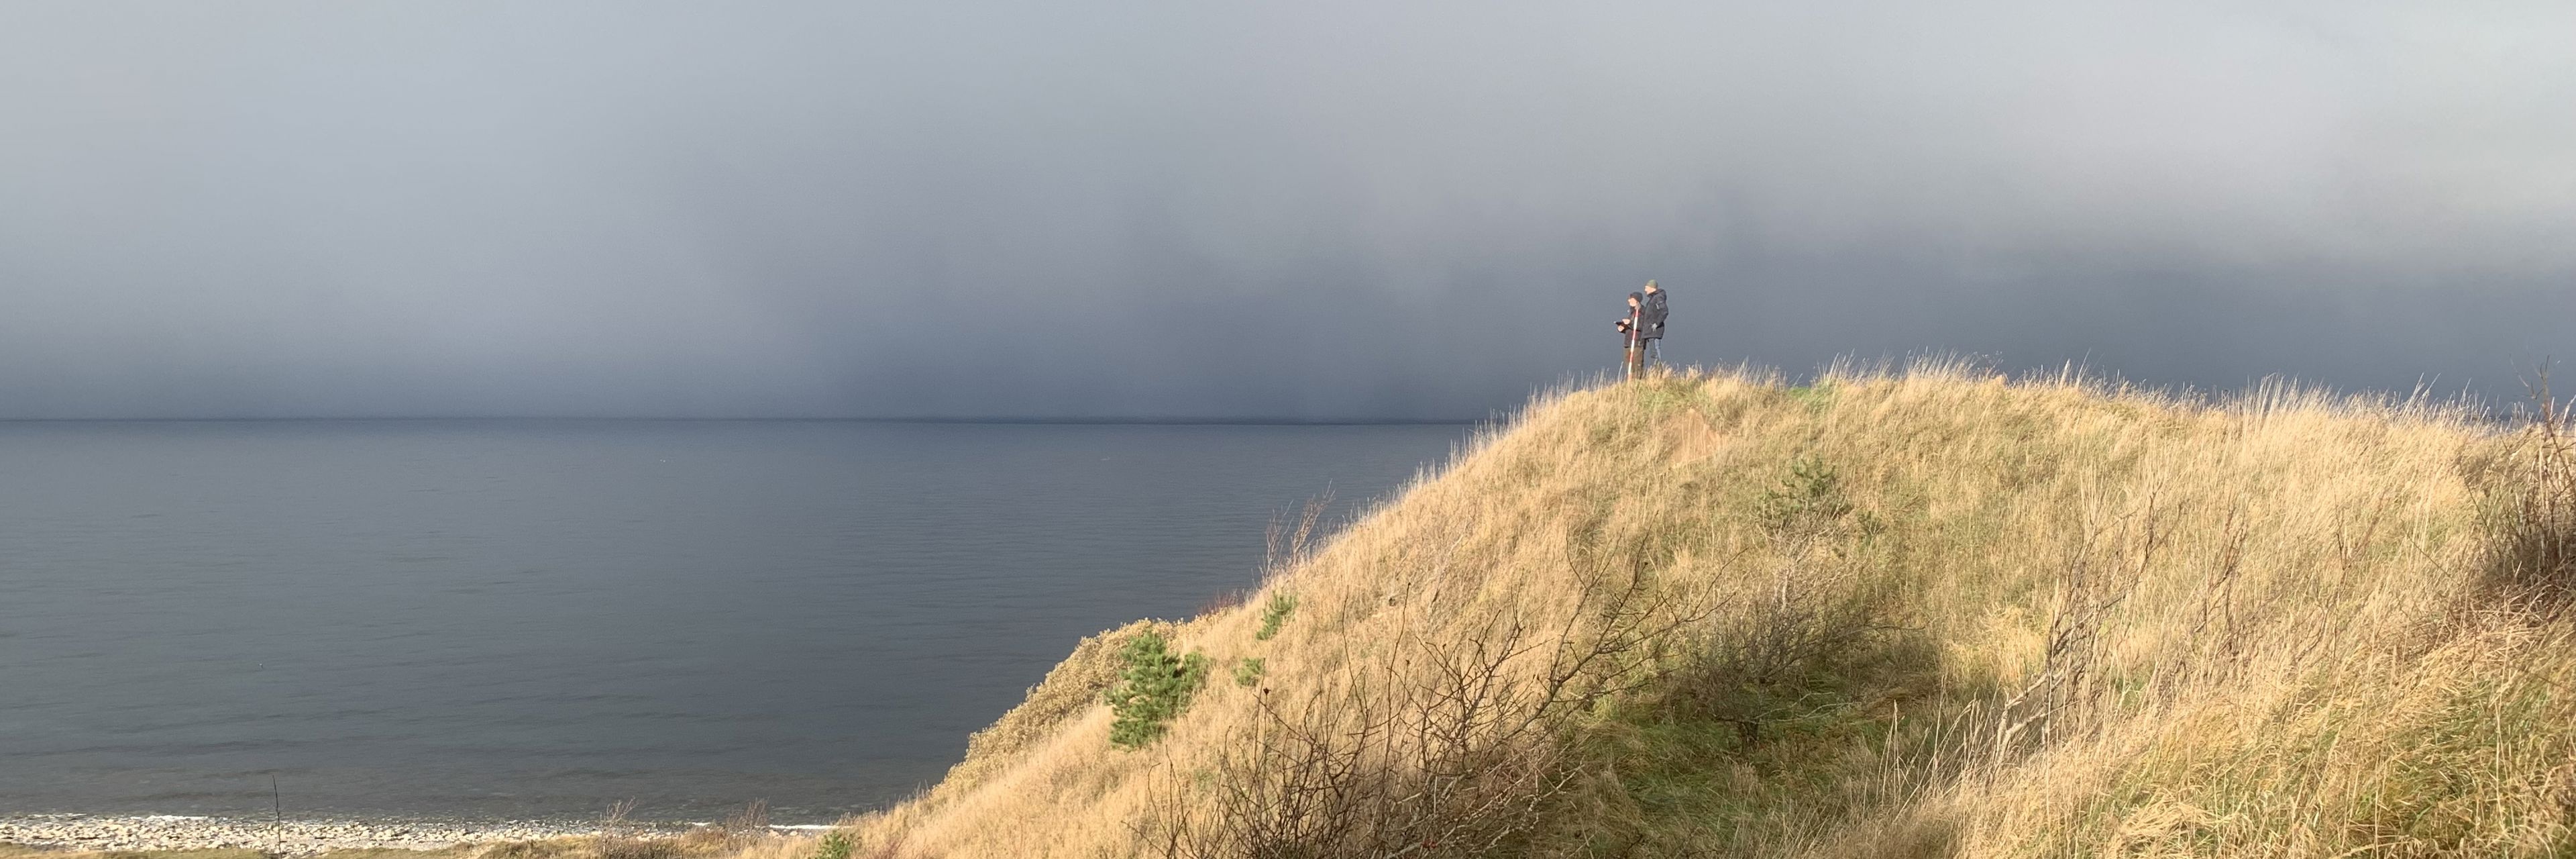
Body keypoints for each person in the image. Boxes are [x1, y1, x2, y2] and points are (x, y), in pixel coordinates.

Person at [1638, 280, 1668, 368]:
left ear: (1652, 288)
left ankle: (1659, 371)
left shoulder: (1658, 298)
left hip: (1654, 331)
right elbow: (1650, 314)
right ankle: (1657, 371)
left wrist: (1656, 324)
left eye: (1646, 287)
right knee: (1653, 353)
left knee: (1655, 351)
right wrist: (1641, 309)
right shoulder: (1653, 299)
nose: (1645, 289)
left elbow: (1664, 311)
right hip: (1650, 331)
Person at [1615, 292, 1644, 379]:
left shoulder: (1642, 312)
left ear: (1637, 300)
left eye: (1631, 299)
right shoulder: (1631, 312)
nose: (1628, 301)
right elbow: (1632, 328)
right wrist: (1623, 328)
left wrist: (1630, 323)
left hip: (1637, 343)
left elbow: (1642, 326)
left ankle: (1638, 382)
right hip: (1628, 343)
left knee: (1637, 364)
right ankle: (1630, 383)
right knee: (1629, 365)